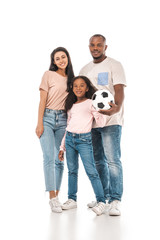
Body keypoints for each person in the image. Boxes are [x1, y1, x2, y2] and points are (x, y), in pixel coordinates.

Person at [79, 34, 126, 216]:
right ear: (89, 46)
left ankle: (115, 199)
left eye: (99, 45)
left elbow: (120, 90)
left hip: (111, 121)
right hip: (92, 123)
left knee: (113, 160)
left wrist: (117, 108)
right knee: (98, 160)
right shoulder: (84, 69)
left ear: (106, 47)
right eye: (92, 45)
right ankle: (103, 198)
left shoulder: (115, 65)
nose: (95, 48)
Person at [58, 76, 107, 216]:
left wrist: (100, 109)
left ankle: (101, 201)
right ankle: (72, 199)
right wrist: (62, 147)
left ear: (87, 88)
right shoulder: (71, 106)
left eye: (81, 85)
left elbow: (101, 123)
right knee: (72, 171)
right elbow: (68, 127)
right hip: (69, 140)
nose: (78, 88)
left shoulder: (91, 103)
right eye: (75, 86)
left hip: (84, 141)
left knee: (91, 171)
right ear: (72, 88)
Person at [35, 47, 74, 213]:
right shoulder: (48, 75)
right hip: (48, 118)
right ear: (53, 62)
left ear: (67, 58)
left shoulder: (72, 79)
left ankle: (57, 196)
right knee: (49, 157)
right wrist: (39, 123)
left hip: (64, 121)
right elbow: (42, 100)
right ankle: (52, 197)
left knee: (60, 159)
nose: (61, 60)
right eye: (57, 59)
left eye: (63, 57)